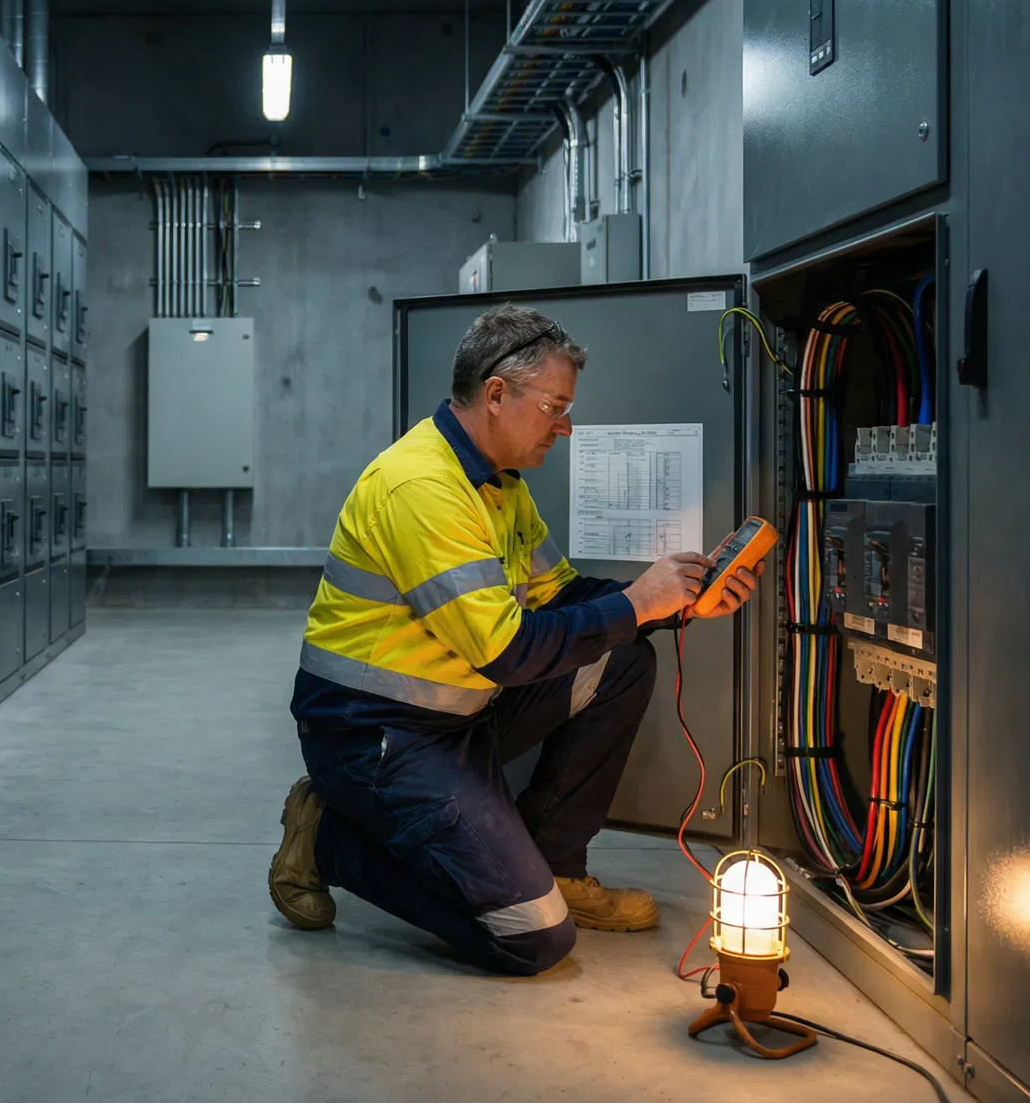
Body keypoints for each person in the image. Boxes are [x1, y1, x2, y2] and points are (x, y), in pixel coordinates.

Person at [267, 303, 762, 976]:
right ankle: (328, 837)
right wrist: (636, 602)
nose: (566, 425)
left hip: (458, 719)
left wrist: (672, 602)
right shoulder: (422, 487)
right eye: (555, 406)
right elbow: (508, 652)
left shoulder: (498, 484)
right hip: (376, 738)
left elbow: (558, 598)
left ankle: (558, 868)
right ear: (496, 394)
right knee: (532, 940)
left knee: (621, 658)